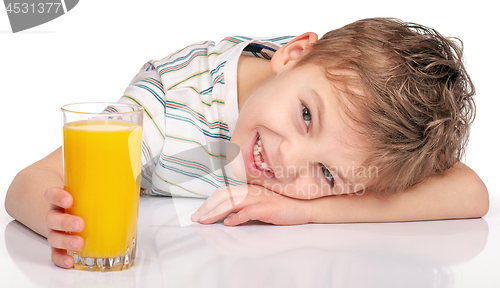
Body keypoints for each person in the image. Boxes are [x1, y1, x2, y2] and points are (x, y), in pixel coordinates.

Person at [5, 18, 489, 269]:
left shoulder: (347, 126)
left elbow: (471, 193)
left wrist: (311, 210)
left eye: (326, 175)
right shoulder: (166, 111)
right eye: (305, 117)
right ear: (293, 55)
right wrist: (59, 224)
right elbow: (29, 183)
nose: (288, 159)